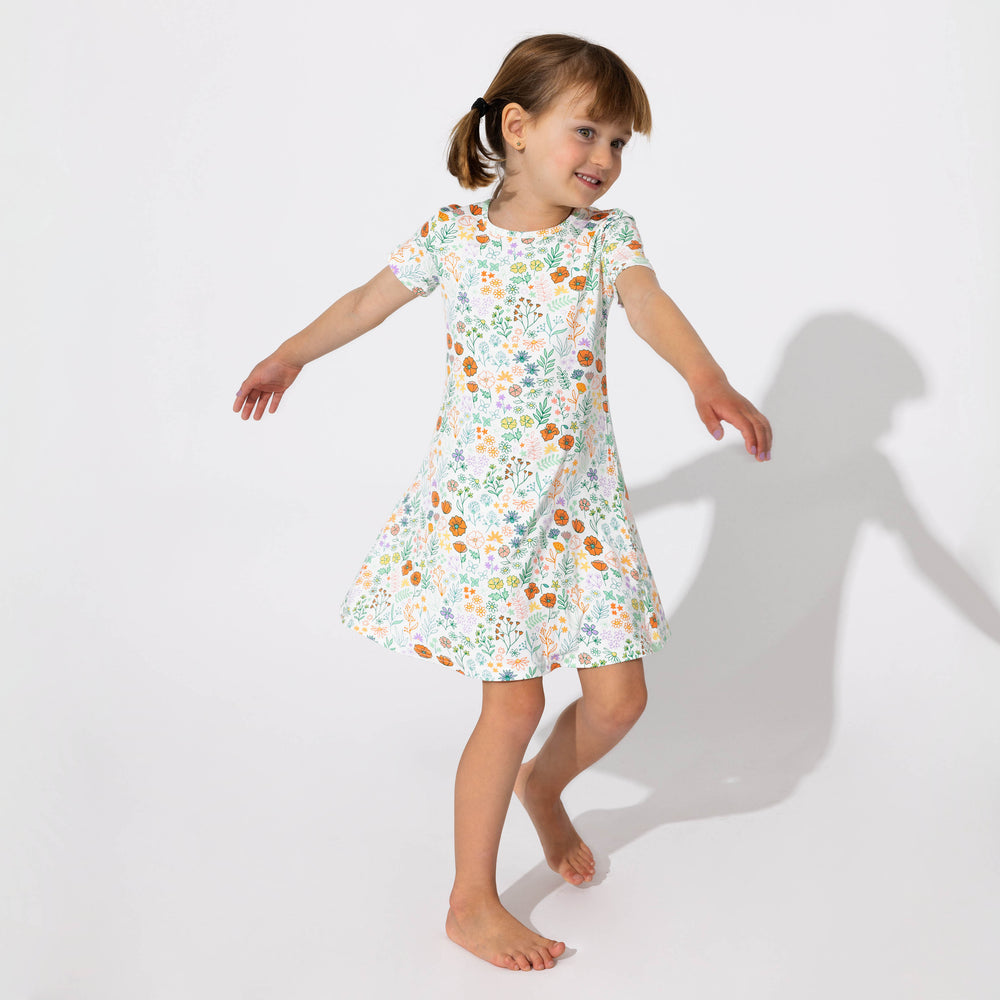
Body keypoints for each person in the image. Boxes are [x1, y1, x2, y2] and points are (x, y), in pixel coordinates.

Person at [233, 33, 772, 972]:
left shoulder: (606, 240)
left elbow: (651, 306)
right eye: (587, 132)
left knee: (620, 702)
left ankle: (543, 789)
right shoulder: (454, 236)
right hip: (485, 513)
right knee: (514, 703)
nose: (604, 158)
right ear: (516, 128)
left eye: (619, 143)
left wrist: (708, 377)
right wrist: (289, 356)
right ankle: (470, 903)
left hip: (583, 512)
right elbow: (363, 303)